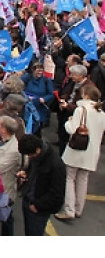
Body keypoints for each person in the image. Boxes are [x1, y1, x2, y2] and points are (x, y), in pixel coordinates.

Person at [55, 85, 105, 220]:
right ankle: (78, 209)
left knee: (70, 178)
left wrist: (68, 122)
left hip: (77, 149)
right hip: (92, 151)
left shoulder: (80, 110)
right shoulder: (102, 114)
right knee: (83, 179)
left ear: (87, 96)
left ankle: (69, 209)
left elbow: (72, 129)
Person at [17, 134, 66, 236]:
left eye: (30, 155)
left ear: (38, 150)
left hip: (38, 209)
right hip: (28, 200)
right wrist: (26, 173)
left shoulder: (56, 165)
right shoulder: (37, 157)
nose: (29, 157)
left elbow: (56, 194)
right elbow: (33, 171)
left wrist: (38, 205)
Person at [21, 63, 55, 137]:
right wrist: (25, 96)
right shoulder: (27, 77)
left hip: (39, 109)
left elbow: (51, 94)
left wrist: (44, 99)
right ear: (33, 70)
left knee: (37, 129)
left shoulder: (46, 80)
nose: (40, 73)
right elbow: (19, 86)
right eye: (38, 70)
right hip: (27, 107)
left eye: (41, 71)